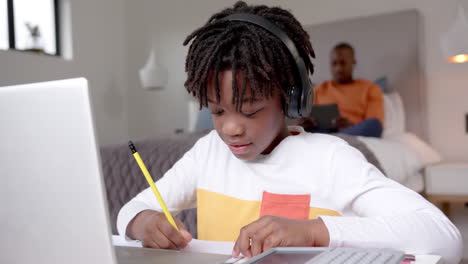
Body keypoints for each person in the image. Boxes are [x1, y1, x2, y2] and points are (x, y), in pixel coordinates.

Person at [117, 2, 462, 263]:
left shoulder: (330, 158)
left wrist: (312, 231)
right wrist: (144, 222)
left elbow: (444, 237)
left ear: (292, 99)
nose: (231, 128)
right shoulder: (208, 152)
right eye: (217, 110)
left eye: (250, 110)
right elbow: (130, 210)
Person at [298, 43, 384, 137]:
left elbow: (375, 122)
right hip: (323, 131)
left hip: (352, 131)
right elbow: (308, 117)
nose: (338, 69)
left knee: (374, 124)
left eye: (343, 63)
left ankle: (335, 139)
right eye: (334, 63)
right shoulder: (318, 90)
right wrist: (306, 123)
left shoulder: (370, 88)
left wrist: (350, 125)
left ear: (353, 63)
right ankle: (336, 139)